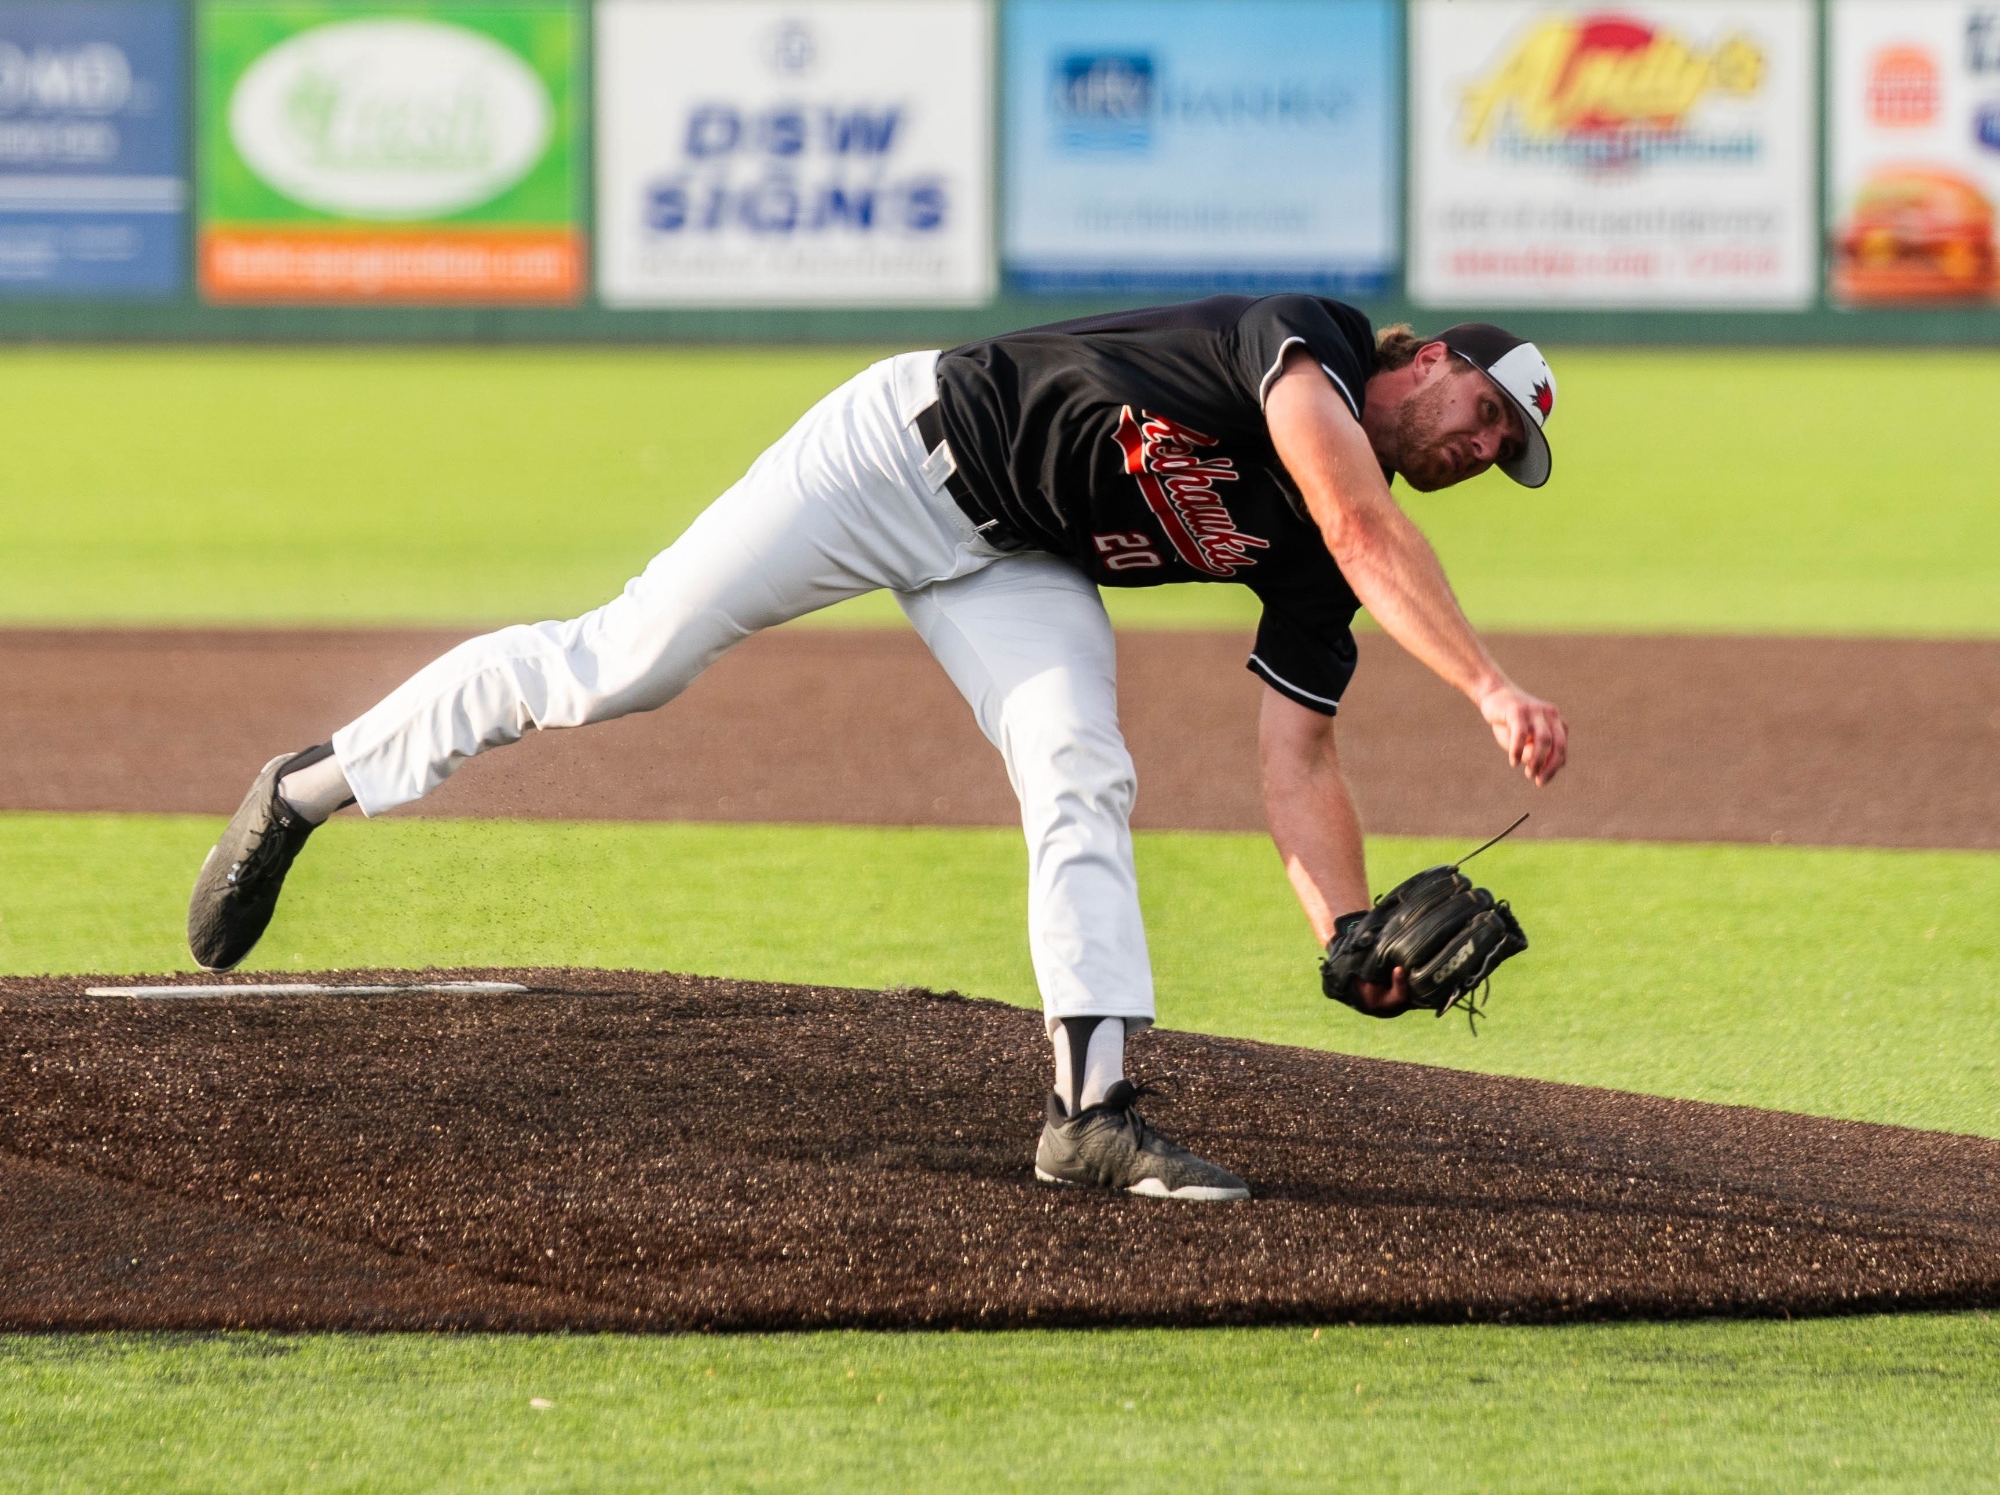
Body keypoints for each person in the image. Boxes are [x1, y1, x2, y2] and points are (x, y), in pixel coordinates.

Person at [188, 296, 1569, 1204]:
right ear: (1434, 359)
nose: (1482, 450)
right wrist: (1491, 687)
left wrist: (1343, 936)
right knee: (621, 663)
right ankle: (308, 787)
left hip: (1012, 556)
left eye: (1504, 453)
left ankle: (1089, 1110)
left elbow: (1300, 761)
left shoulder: (1332, 573)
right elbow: (1357, 521)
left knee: (1079, 762)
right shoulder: (1308, 343)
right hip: (896, 453)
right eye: (1488, 416)